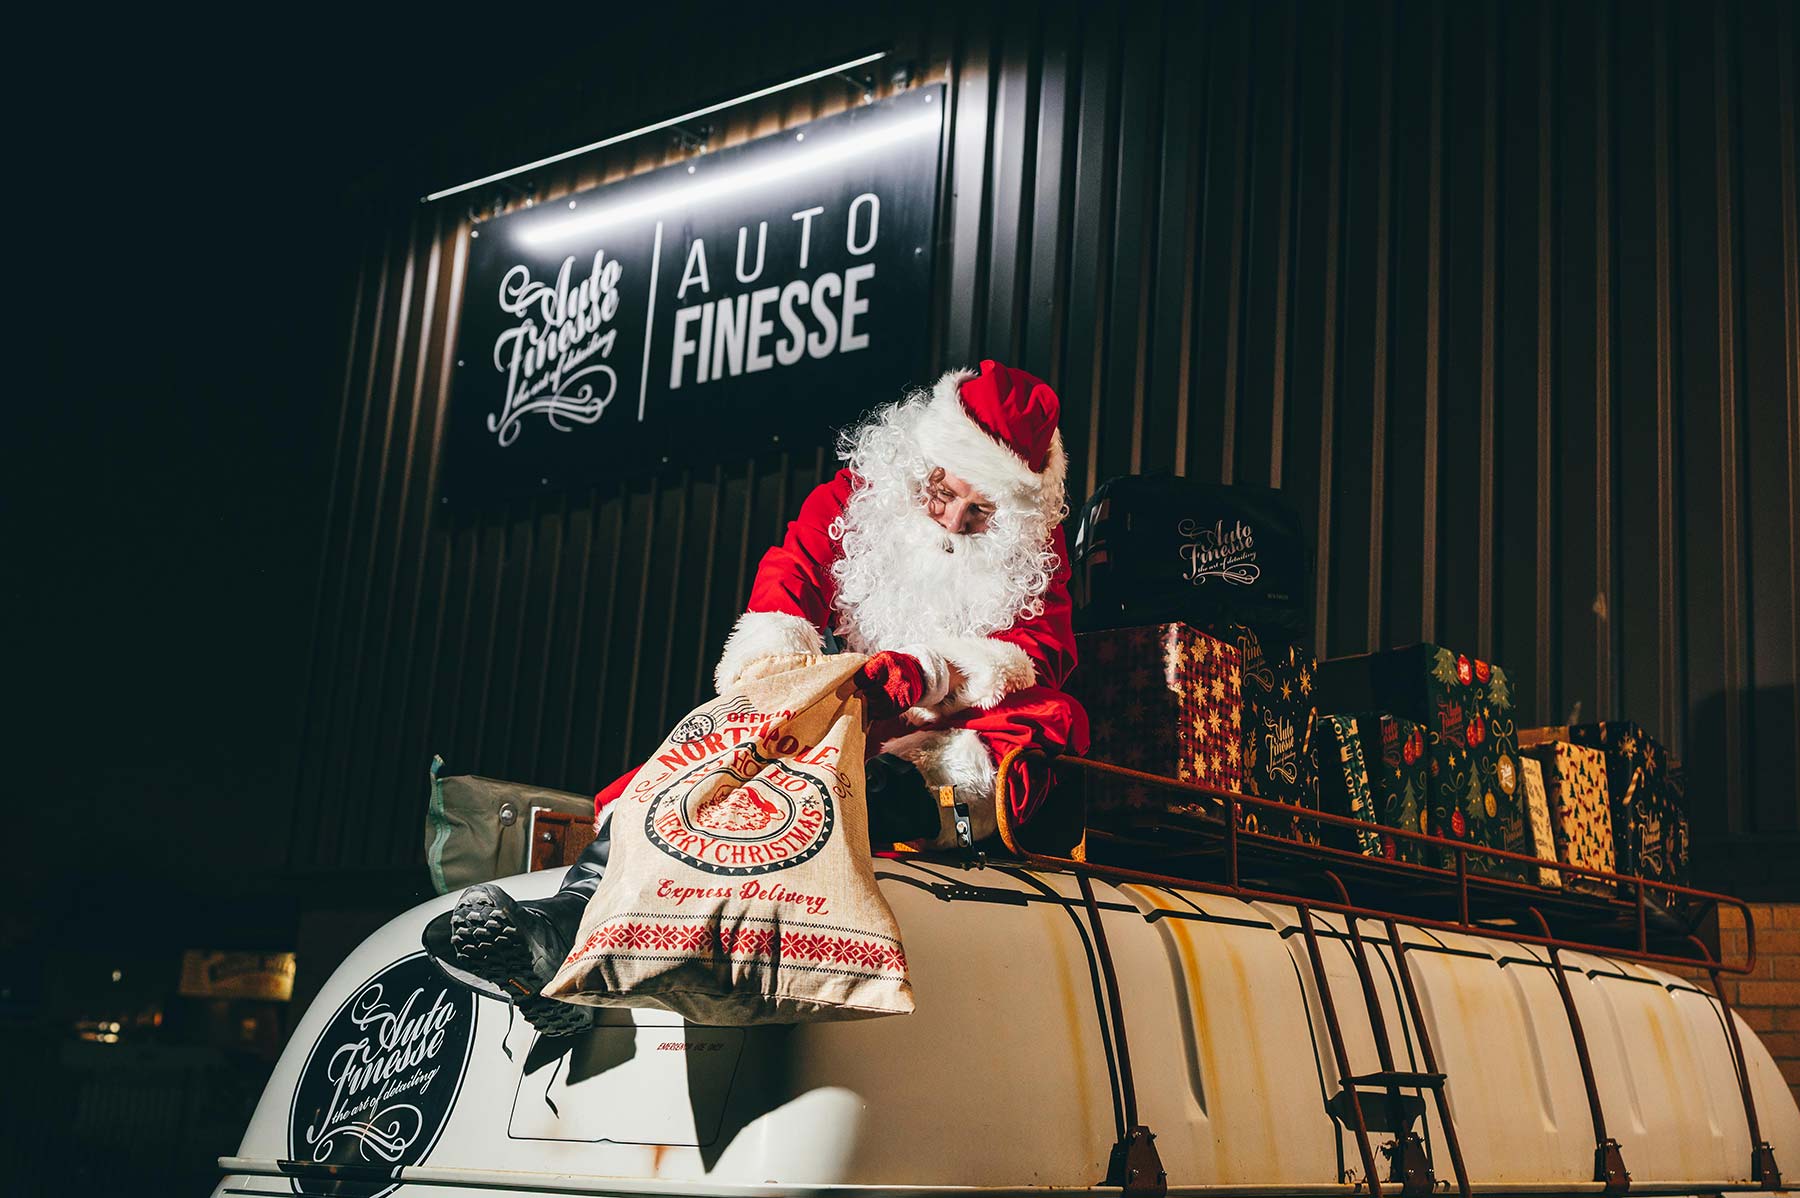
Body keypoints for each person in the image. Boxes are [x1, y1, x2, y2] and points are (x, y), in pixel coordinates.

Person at [425, 359, 1090, 1034]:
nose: (951, 519)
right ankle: (556, 934)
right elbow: (790, 576)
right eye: (942, 492)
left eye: (980, 512)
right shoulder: (859, 499)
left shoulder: (1035, 552)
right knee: (703, 762)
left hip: (939, 730)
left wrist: (933, 672)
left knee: (1055, 723)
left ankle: (872, 810)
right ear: (918, 463)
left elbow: (1045, 653)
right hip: (848, 703)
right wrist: (778, 664)